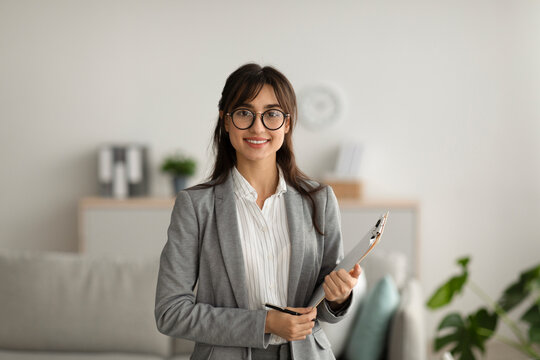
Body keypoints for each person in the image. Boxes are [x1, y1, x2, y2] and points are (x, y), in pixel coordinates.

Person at [155, 63, 362, 360]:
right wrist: (264, 324)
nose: (258, 127)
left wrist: (339, 297)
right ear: (225, 121)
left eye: (272, 114)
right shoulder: (195, 206)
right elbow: (170, 311)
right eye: (244, 113)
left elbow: (325, 312)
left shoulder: (320, 200)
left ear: (287, 123)